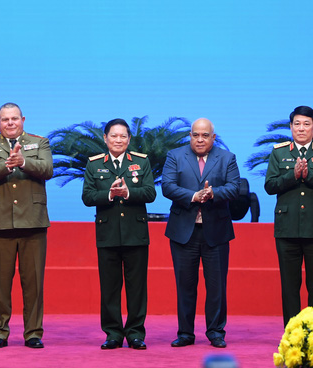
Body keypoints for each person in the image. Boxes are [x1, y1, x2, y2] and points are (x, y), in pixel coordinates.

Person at [0, 102, 53, 349]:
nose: (10, 123)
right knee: (0, 283)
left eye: (14, 118)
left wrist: (23, 162)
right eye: (5, 119)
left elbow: (47, 169)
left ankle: (33, 333)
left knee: (33, 283)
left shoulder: (39, 142)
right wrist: (6, 164)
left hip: (33, 220)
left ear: (23, 119)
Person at [161, 118, 240, 348]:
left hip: (215, 231)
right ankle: (185, 333)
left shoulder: (227, 158)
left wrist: (213, 194)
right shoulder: (175, 156)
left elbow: (235, 187)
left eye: (205, 135)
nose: (200, 139)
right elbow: (167, 186)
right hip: (183, 231)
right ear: (190, 136)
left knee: (216, 286)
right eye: (196, 135)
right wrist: (193, 196)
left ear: (213, 137)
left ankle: (216, 331)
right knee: (185, 285)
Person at [82, 118, 156, 350]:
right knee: (110, 287)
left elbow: (150, 192)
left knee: (137, 288)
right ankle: (113, 333)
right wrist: (110, 195)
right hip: (108, 234)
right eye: (114, 136)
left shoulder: (140, 163)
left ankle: (135, 333)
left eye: (123, 136)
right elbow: (87, 197)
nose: (118, 140)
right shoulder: (94, 165)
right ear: (105, 138)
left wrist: (128, 192)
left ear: (129, 139)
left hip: (136, 234)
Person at [264, 105, 313, 326]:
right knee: (289, 286)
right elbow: (270, 186)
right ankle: (292, 334)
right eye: (297, 124)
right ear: (290, 127)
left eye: (306, 124)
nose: (301, 128)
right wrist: (293, 175)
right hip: (286, 228)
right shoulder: (279, 152)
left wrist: (309, 177)